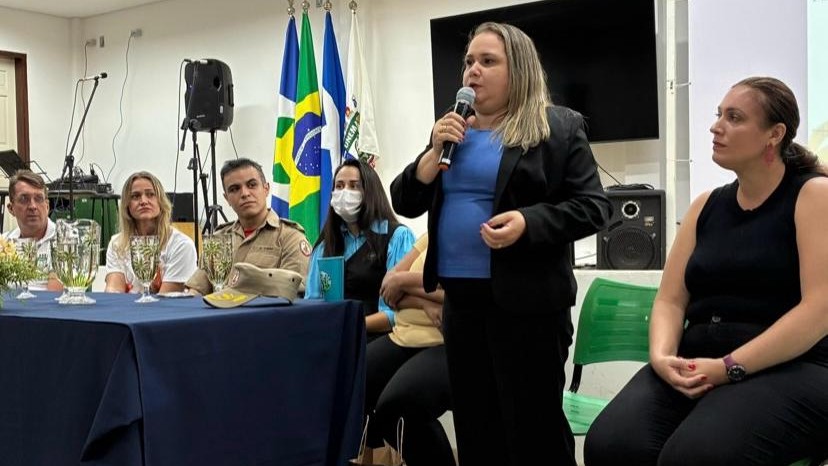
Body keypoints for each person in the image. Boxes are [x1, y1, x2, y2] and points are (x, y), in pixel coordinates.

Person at [390, 22, 612, 466]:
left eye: (488, 61)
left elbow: (593, 207)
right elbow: (403, 200)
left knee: (532, 431)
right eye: (469, 61)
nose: (472, 71)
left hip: (528, 303)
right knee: (477, 426)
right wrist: (431, 158)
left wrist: (528, 223)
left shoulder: (558, 127)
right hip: (461, 302)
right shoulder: (453, 129)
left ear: (521, 70)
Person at [584, 77, 828, 466]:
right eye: (719, 115)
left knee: (695, 458)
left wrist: (729, 367)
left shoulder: (813, 195)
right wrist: (662, 356)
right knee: (611, 445)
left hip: (792, 367)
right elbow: (669, 299)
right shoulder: (705, 206)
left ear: (774, 134)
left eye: (734, 117)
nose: (716, 126)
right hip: (703, 361)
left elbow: (819, 310)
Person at [365, 233, 454, 466]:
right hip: (404, 334)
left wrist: (405, 283)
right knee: (349, 385)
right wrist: (424, 299)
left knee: (396, 407)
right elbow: (389, 288)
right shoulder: (430, 236)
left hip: (445, 342)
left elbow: (460, 296)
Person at [305, 158, 415, 339]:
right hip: (331, 336)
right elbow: (313, 303)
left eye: (354, 186)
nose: (344, 193)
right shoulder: (325, 245)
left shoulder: (397, 237)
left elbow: (398, 313)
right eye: (339, 186)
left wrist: (350, 326)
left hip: (380, 338)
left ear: (370, 192)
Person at [185, 158, 311, 295]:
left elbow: (290, 290)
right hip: (217, 314)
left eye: (252, 185)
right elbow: (197, 289)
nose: (245, 193)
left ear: (266, 189)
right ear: (226, 198)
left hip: (264, 315)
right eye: (234, 189)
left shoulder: (290, 237)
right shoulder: (219, 239)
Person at [105, 171, 198, 294]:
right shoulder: (117, 244)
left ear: (161, 201)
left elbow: (166, 299)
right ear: (127, 205)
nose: (143, 201)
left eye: (150, 194)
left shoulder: (182, 245)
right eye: (135, 196)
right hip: (126, 312)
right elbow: (114, 293)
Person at [2, 169, 61, 291]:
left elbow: (54, 298)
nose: (33, 206)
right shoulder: (4, 243)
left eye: (38, 199)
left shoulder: (63, 241)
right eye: (24, 199)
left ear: (47, 206)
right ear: (11, 208)